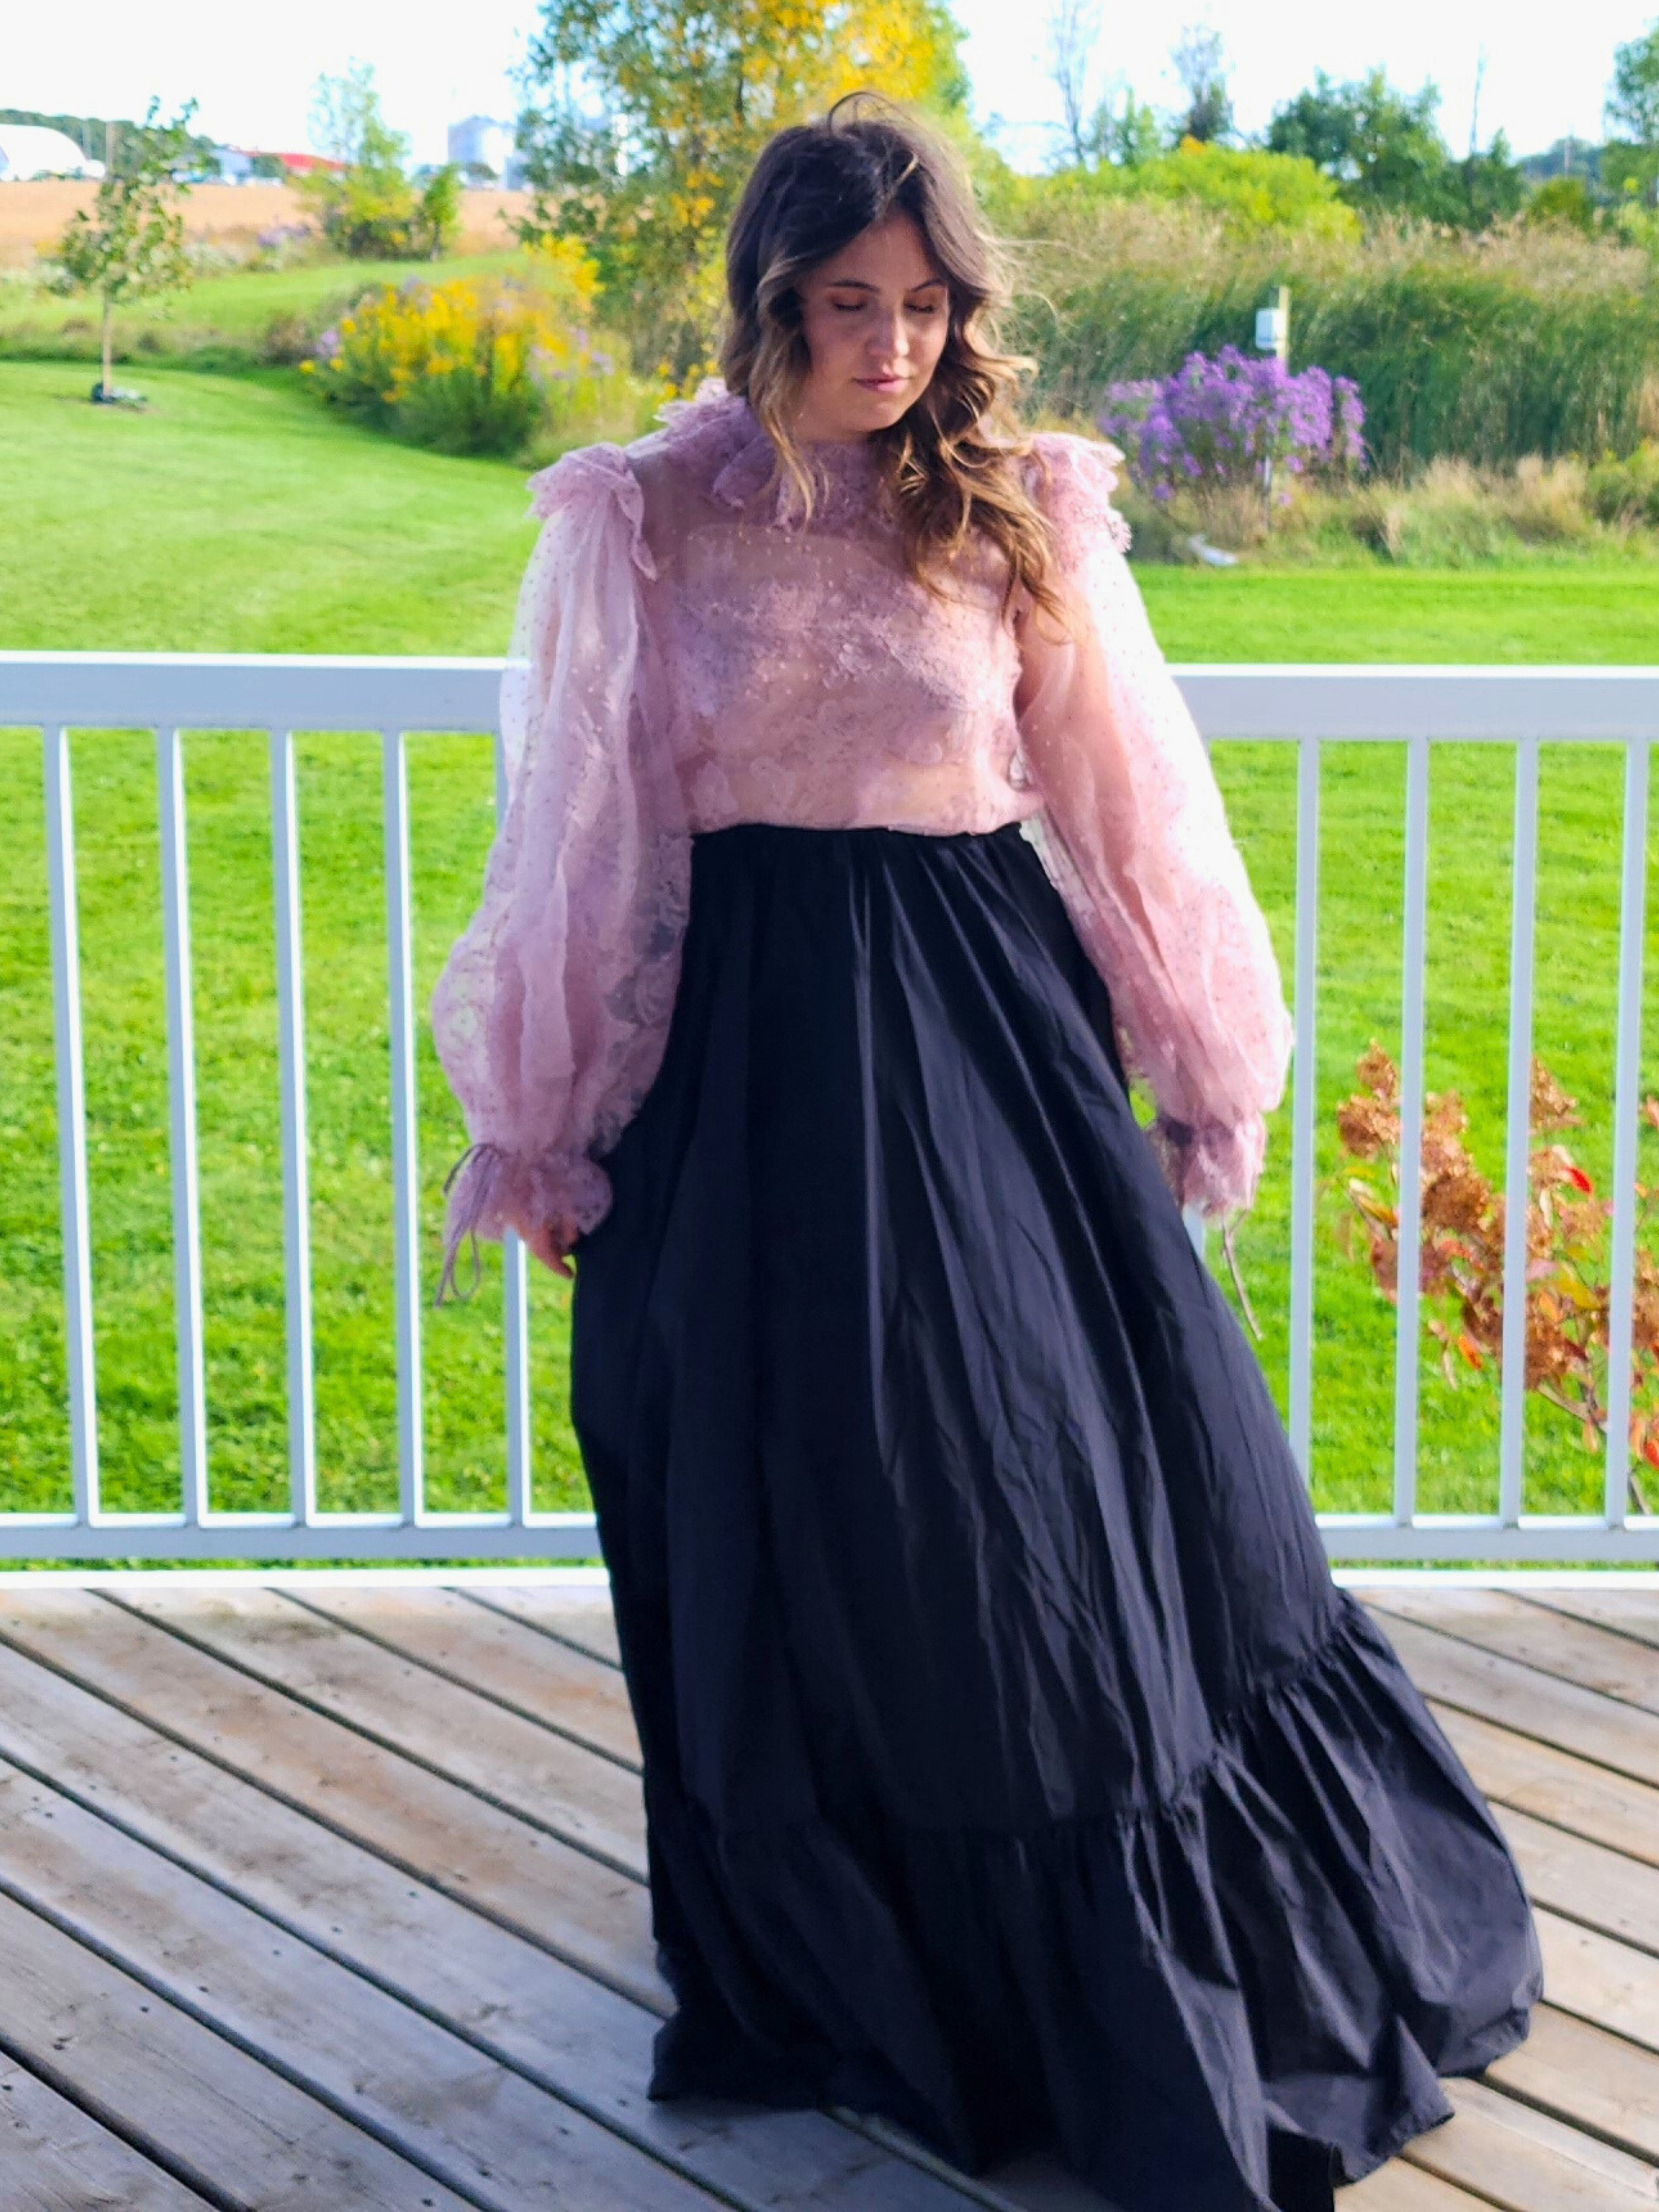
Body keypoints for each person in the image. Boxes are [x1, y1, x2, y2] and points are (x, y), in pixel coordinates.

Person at [430, 93, 1541, 2212]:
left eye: (926, 307)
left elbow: (1128, 802)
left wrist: (1205, 1047)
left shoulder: (1022, 503)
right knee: (795, 1505)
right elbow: (583, 835)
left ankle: (1112, 1981)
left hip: (988, 1049)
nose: (892, 348)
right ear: (768, 300)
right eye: (848, 307)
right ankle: (852, 1963)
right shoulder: (643, 515)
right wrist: (559, 1117)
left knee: (1047, 1497)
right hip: (753, 1065)